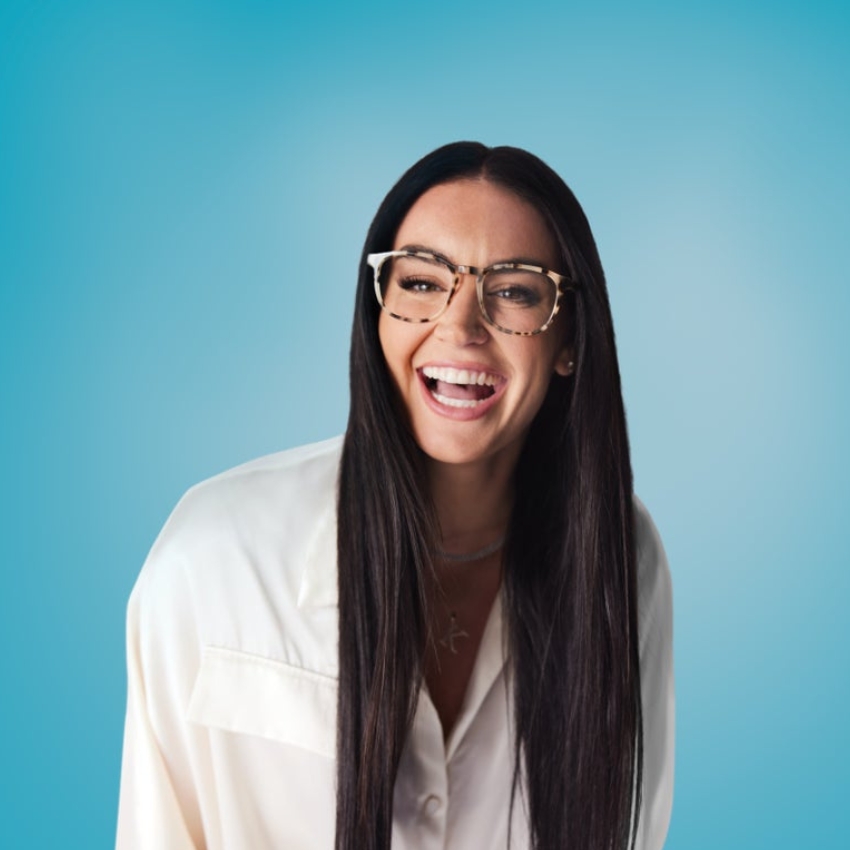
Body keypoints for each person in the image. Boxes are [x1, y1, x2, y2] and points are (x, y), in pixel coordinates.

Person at [116, 142, 674, 850]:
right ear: (376, 311)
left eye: (515, 290)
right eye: (420, 282)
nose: (461, 327)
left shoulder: (623, 562)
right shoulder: (213, 558)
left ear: (570, 339)